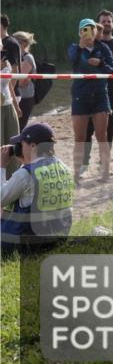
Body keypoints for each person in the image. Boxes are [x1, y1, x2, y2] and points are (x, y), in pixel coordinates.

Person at [1, 123, 73, 257]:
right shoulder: (64, 168)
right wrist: (25, 162)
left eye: (21, 144)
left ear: (33, 146)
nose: (19, 148)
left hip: (27, 245)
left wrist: (2, 166)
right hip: (57, 238)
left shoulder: (25, 174)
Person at [68, 19, 113, 182]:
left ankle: (105, 173)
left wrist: (100, 63)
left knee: (102, 135)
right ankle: (75, 174)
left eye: (91, 29)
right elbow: (73, 63)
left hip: (100, 95)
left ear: (96, 31)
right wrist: (81, 48)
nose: (88, 32)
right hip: (80, 95)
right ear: (80, 32)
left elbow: (112, 71)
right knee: (79, 137)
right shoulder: (74, 48)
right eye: (84, 30)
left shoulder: (103, 48)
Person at [83, 10, 113, 173]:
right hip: (90, 92)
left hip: (110, 92)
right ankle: (84, 162)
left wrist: (112, 71)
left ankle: (104, 163)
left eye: (109, 21)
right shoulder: (90, 44)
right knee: (87, 128)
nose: (107, 23)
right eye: (104, 21)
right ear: (97, 25)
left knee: (108, 129)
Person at [0, 14, 22, 146]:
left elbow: (14, 73)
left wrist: (15, 102)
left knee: (12, 142)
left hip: (8, 100)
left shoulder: (10, 44)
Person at [11, 32, 37, 129]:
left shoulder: (27, 58)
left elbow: (20, 82)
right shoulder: (16, 57)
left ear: (22, 44)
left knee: (18, 128)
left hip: (25, 98)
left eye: (14, 42)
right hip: (16, 96)